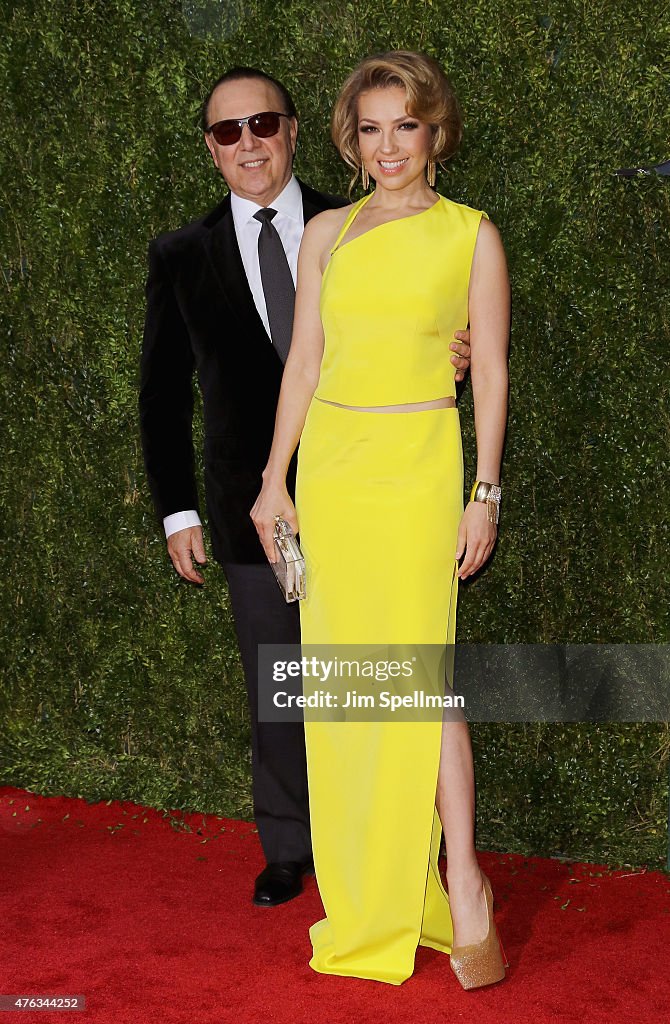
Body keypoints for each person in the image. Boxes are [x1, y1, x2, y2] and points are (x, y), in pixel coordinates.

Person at [139, 66, 475, 909]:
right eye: (227, 132)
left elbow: (428, 335)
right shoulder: (181, 255)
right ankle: (290, 848)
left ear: (293, 130)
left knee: (384, 673)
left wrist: (452, 356)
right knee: (281, 680)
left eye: (263, 123)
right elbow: (160, 391)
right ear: (211, 151)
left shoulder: (367, 218)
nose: (248, 143)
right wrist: (179, 509)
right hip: (257, 506)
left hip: (372, 485)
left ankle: (386, 844)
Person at [251, 51, 510, 988]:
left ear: (434, 130)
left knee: (424, 682)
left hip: (417, 472)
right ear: (350, 140)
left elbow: (490, 372)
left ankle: (465, 878)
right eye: (370, 128)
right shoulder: (326, 231)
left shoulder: (471, 236)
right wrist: (274, 478)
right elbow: (305, 365)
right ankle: (373, 895)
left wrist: (485, 491)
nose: (389, 145)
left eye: (406, 125)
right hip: (335, 473)